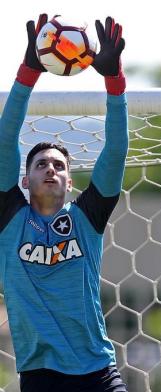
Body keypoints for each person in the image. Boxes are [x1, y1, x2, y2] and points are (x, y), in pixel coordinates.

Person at [0, 14, 129, 392]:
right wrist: (28, 72)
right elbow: (6, 141)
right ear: (25, 180)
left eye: (59, 165)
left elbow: (116, 149)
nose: (51, 170)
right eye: (42, 165)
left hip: (99, 372)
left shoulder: (87, 218)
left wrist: (113, 81)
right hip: (41, 376)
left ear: (71, 180)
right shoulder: (9, 219)